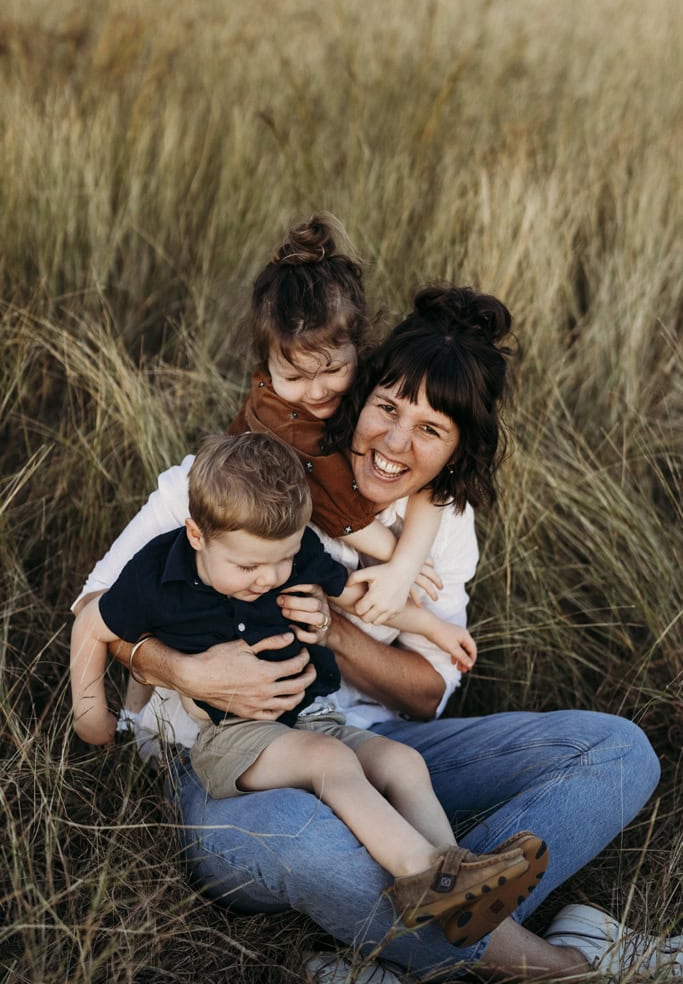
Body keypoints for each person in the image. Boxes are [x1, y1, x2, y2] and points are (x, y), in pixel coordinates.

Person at [71, 285, 674, 981]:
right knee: (310, 841)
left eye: (428, 429)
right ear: (358, 397)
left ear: (454, 451)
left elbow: (424, 694)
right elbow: (96, 604)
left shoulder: (439, 527)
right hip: (227, 766)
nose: (392, 444)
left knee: (618, 752)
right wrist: (183, 672)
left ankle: (392, 928)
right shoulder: (231, 484)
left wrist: (338, 631)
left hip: (365, 741)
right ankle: (557, 963)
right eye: (386, 409)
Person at [70, 431, 541, 944]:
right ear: (198, 534)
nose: (269, 578)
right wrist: (89, 711)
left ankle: (458, 877)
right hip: (232, 740)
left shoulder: (290, 553)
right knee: (330, 763)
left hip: (315, 720)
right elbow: (93, 621)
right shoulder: (160, 572)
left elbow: (355, 593)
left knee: (405, 763)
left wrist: (431, 627)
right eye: (248, 566)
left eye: (283, 559)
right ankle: (421, 875)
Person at [229, 213, 468, 633]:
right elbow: (334, 503)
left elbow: (432, 475)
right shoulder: (278, 421)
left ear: (359, 348)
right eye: (295, 378)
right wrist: (400, 561)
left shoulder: (381, 389)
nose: (317, 391)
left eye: (332, 371)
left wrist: (408, 563)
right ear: (264, 367)